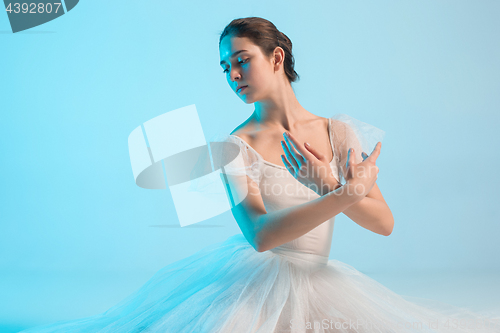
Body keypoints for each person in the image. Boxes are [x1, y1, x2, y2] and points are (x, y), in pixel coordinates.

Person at [20, 16, 500, 333]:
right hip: (253, 280)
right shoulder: (236, 145)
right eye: (225, 68)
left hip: (322, 278)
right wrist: (337, 193)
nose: (233, 76)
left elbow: (384, 223)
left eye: (241, 60)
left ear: (276, 59)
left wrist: (334, 185)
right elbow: (260, 236)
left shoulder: (338, 132)